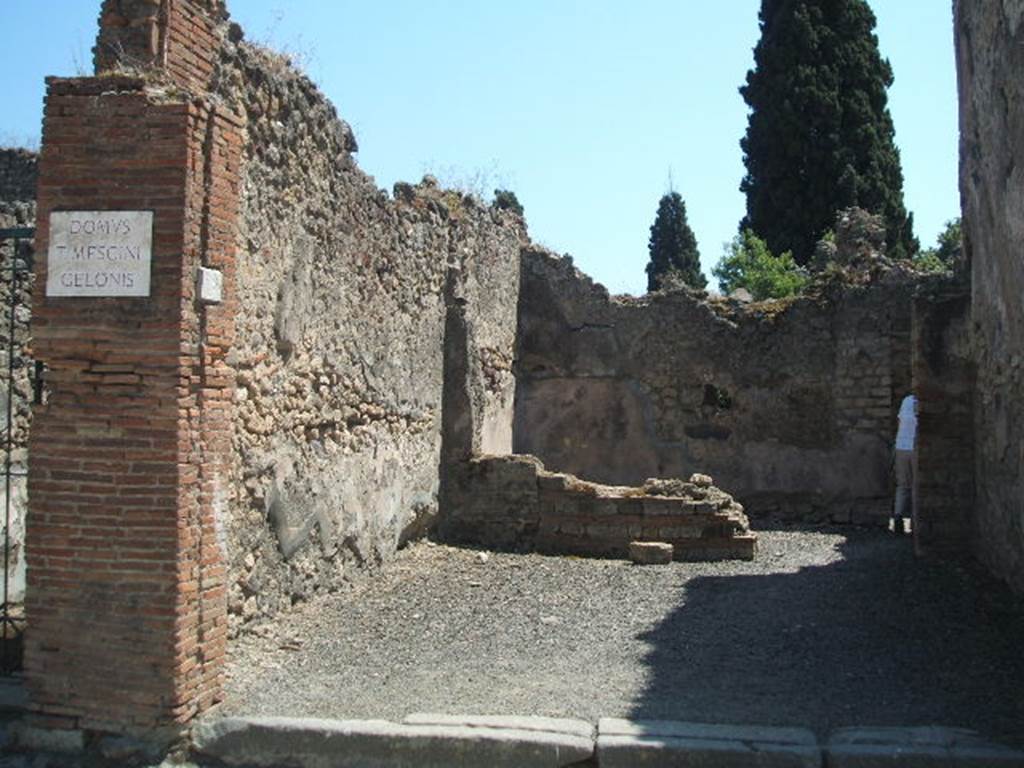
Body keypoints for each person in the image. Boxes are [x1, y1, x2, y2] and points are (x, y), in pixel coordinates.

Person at [892, 393, 917, 535]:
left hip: (901, 446)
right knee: (916, 485)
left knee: (902, 485)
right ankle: (916, 520)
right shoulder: (920, 402)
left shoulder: (906, 401)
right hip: (914, 447)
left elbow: (899, 423)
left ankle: (898, 518)